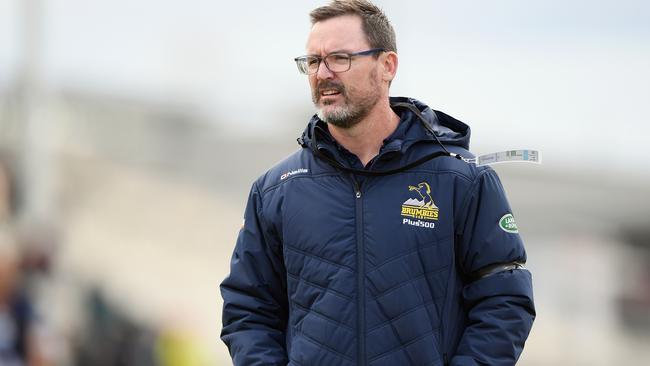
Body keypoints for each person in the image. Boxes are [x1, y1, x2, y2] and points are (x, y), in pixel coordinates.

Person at [220, 1, 535, 365]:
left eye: (339, 58)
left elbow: (505, 301)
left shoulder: (461, 181)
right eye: (312, 61)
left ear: (387, 66)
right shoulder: (275, 190)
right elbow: (247, 309)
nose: (323, 73)